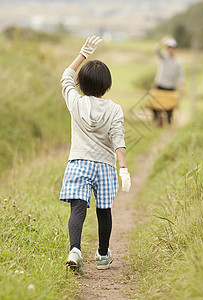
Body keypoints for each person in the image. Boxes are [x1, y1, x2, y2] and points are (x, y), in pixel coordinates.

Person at [59, 36, 131, 272]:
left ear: (82, 83)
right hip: (105, 166)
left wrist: (83, 54)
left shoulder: (75, 102)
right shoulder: (114, 109)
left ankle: (75, 250)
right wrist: (124, 168)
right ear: (106, 85)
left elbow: (66, 77)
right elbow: (118, 139)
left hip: (78, 163)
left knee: (78, 208)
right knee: (103, 211)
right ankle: (102, 255)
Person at [153, 36, 185, 125]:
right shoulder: (164, 57)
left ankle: (169, 120)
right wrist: (162, 41)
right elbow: (156, 50)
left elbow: (181, 75)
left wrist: (182, 86)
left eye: (172, 47)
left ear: (175, 48)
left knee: (171, 105)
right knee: (155, 104)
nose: (170, 49)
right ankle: (158, 118)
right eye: (169, 47)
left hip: (170, 86)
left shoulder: (178, 62)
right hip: (160, 84)